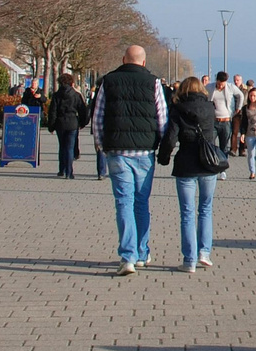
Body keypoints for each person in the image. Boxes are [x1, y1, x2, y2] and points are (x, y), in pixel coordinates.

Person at [91, 47, 167, 275]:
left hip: (117, 150)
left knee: (123, 202)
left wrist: (101, 142)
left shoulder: (108, 81)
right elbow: (162, 117)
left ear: (123, 60)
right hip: (144, 152)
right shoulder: (153, 82)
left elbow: (98, 116)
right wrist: (160, 143)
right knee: (141, 202)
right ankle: (142, 252)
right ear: (143, 63)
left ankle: (128, 257)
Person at [160, 76, 220, 272]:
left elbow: (171, 136)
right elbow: (213, 133)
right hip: (208, 164)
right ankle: (205, 253)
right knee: (205, 209)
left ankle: (189, 260)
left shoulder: (178, 109)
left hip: (186, 163)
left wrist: (164, 157)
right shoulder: (210, 108)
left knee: (187, 212)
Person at [44, 73, 89, 180]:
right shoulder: (76, 95)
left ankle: (62, 169)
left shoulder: (56, 95)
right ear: (71, 83)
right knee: (69, 148)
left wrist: (51, 126)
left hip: (60, 123)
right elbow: (83, 111)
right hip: (73, 123)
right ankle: (69, 172)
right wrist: (83, 123)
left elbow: (52, 112)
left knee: (62, 147)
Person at [208, 72, 236, 160]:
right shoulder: (209, 87)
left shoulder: (230, 87)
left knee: (224, 146)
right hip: (214, 120)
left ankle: (223, 166)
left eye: (223, 84)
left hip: (226, 120)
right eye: (219, 84)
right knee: (210, 143)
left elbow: (241, 95)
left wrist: (238, 108)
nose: (220, 86)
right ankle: (213, 162)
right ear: (216, 81)